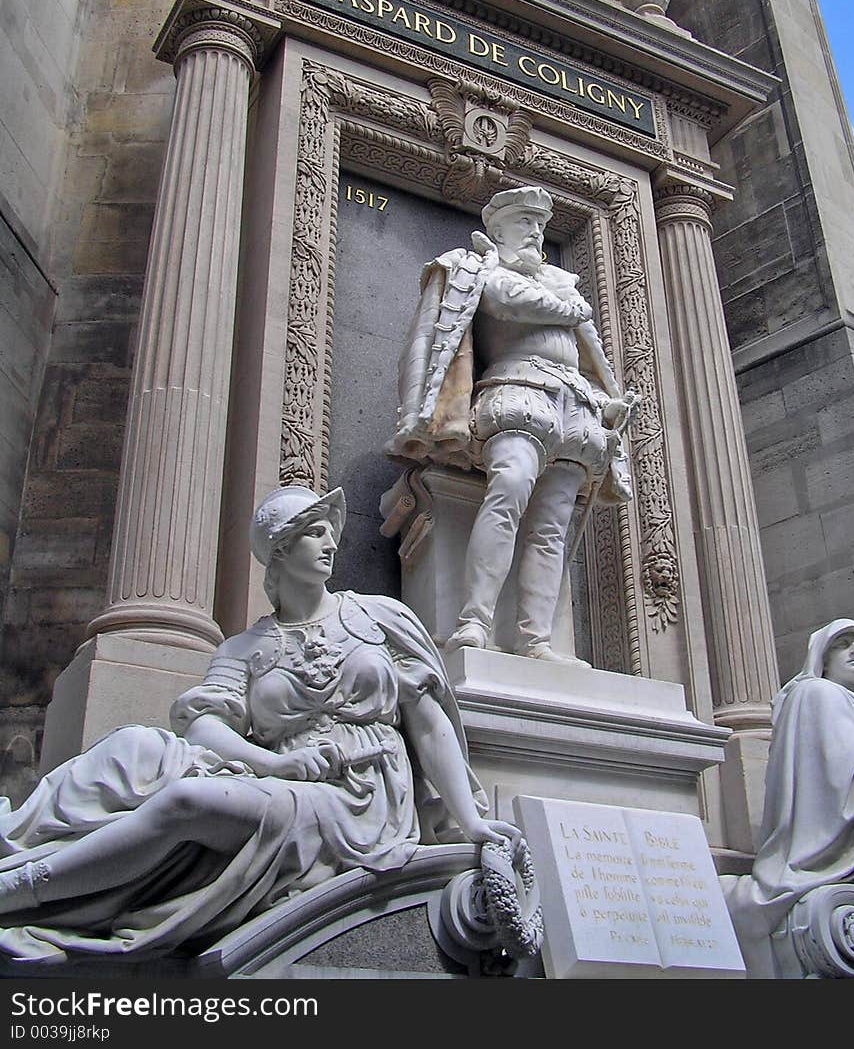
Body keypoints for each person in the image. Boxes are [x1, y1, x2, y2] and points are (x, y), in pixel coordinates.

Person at [0, 485, 516, 964]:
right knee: (136, 745)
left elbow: (428, 725)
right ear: (281, 551)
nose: (332, 542)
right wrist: (275, 762)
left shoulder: (379, 618)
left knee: (188, 801)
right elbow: (204, 727)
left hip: (361, 798)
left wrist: (469, 820)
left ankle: (24, 888)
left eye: (330, 529)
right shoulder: (244, 649)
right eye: (315, 531)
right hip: (280, 776)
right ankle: (23, 847)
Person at [387, 185, 637, 661]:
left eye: (540, 227)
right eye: (524, 224)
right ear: (497, 231)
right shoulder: (482, 270)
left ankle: (535, 638)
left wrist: (608, 403)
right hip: (516, 391)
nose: (535, 234)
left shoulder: (558, 284)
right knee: (509, 490)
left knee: (551, 527)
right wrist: (571, 305)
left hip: (576, 408)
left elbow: (588, 360)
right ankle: (474, 622)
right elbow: (510, 303)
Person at [725, 618, 854, 975]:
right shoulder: (820, 694)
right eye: (845, 644)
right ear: (823, 657)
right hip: (824, 846)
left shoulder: (850, 707)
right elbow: (840, 789)